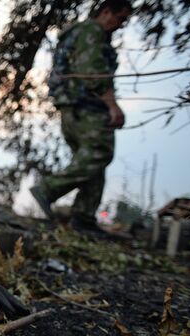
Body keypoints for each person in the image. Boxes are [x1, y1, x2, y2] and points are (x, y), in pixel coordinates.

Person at [30, 0, 133, 232]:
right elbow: (92, 72)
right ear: (107, 11)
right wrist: (112, 106)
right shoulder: (91, 32)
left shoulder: (77, 33)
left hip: (72, 106)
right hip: (86, 106)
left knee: (92, 160)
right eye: (120, 18)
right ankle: (48, 189)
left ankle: (84, 218)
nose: (120, 25)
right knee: (99, 152)